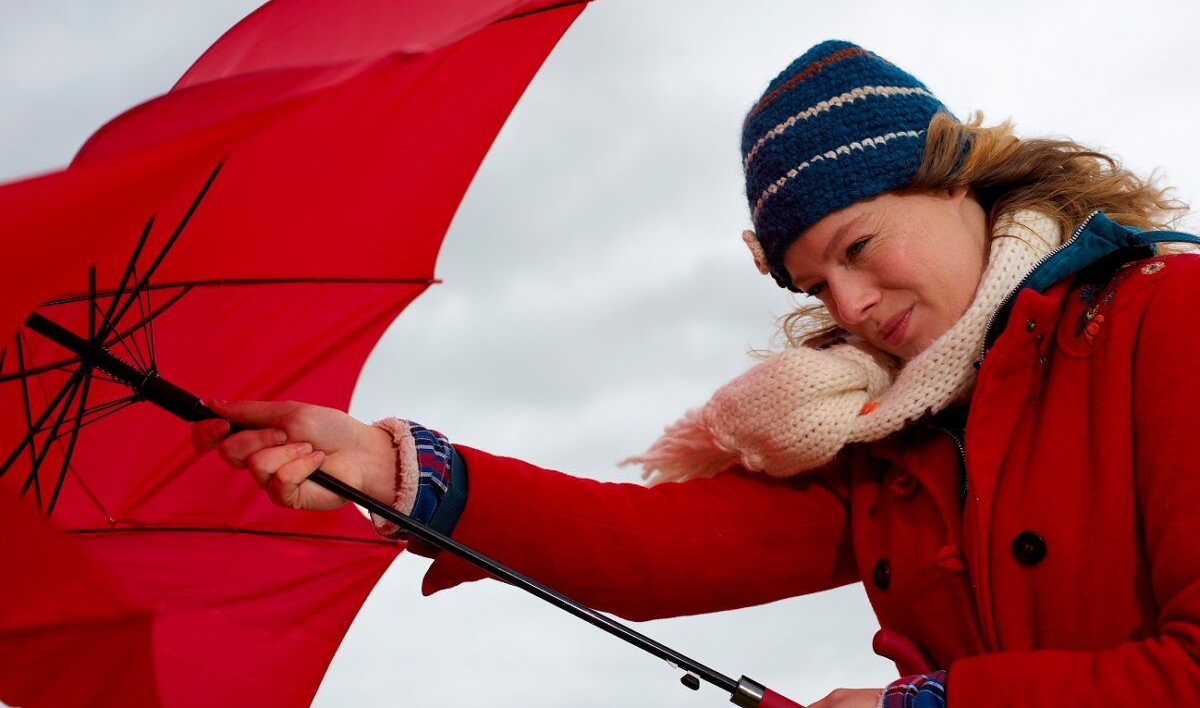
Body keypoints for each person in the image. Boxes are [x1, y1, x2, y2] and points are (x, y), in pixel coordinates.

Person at [192, 40, 1200, 707]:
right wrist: (390, 466)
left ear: (950, 177)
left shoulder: (1164, 315)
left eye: (858, 245)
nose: (846, 307)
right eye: (813, 279)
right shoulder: (883, 429)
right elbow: (659, 545)